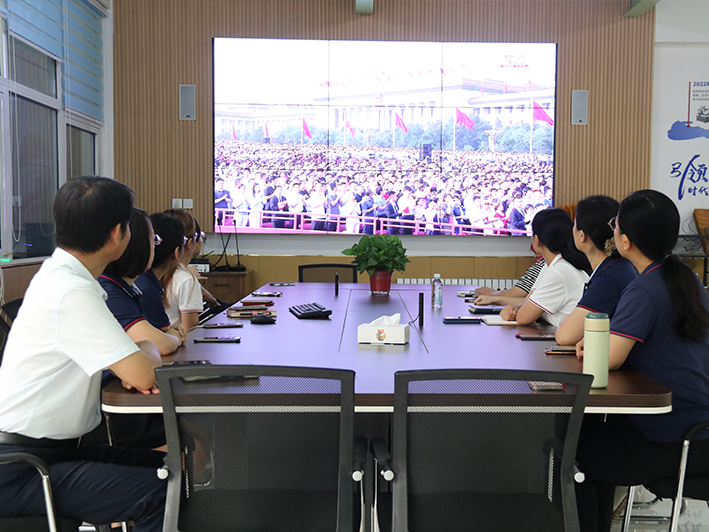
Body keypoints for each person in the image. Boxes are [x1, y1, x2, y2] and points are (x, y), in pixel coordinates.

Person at [0, 176, 166, 531]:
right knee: (163, 493)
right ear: (117, 234)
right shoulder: (71, 291)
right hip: (21, 467)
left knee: (176, 474)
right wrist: (147, 348)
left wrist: (134, 357)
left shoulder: (63, 276)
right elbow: (143, 374)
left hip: (53, 451)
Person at [574, 190, 709, 532]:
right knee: (591, 436)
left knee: (572, 452)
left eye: (615, 225)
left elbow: (607, 360)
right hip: (699, 432)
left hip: (670, 439)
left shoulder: (644, 288)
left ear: (625, 241)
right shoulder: (689, 280)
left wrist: (594, 346)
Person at [100, 208, 186, 355]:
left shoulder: (124, 286)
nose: (155, 247)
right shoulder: (110, 292)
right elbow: (161, 345)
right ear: (138, 246)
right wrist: (175, 337)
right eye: (154, 241)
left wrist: (165, 333)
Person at [555, 196, 637, 345]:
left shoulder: (610, 277)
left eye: (574, 224)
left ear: (582, 235)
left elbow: (565, 336)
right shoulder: (618, 266)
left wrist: (567, 322)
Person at [500, 208, 591, 326]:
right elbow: (530, 299)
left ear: (536, 240)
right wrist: (515, 309)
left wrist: (517, 312)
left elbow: (523, 317)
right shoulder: (553, 265)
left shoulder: (559, 271)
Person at [135, 212, 186, 330]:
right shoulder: (147, 291)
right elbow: (160, 337)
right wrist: (170, 333)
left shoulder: (140, 279)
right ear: (176, 252)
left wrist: (168, 330)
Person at [162, 208, 204, 330]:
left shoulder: (148, 273)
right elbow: (190, 332)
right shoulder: (186, 279)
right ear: (190, 243)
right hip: (175, 341)